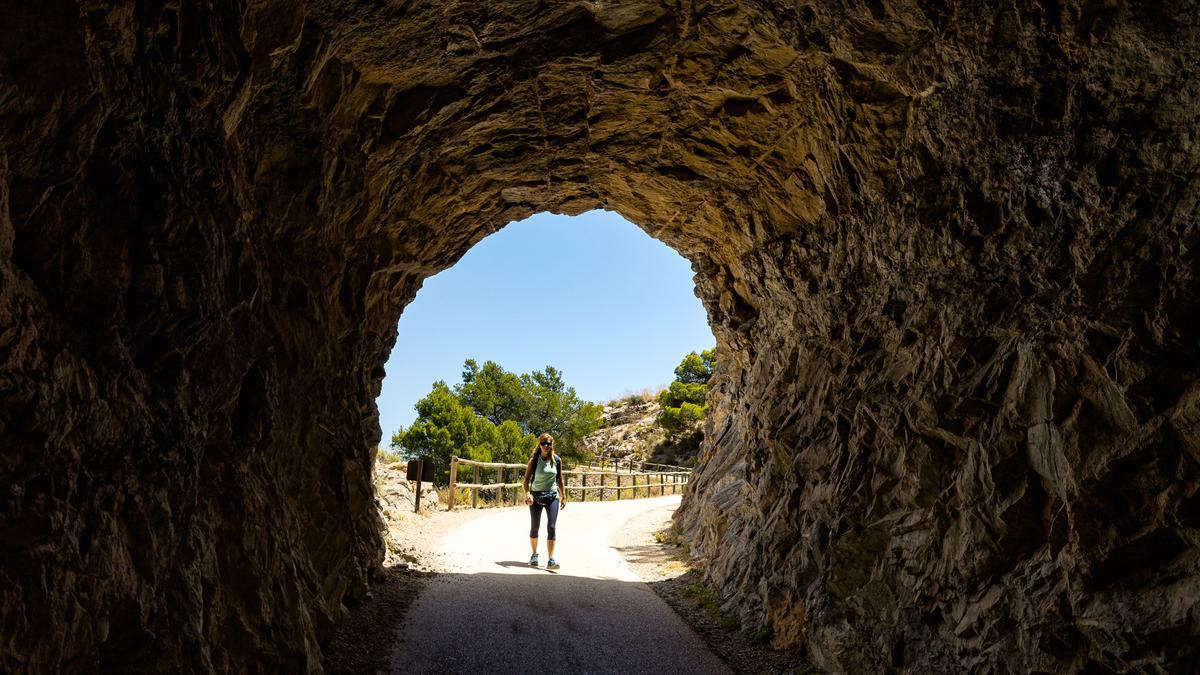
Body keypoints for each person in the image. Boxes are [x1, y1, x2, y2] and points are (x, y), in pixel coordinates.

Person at [523, 432, 567, 569]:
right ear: (539, 444)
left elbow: (559, 479)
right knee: (535, 527)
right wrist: (527, 494)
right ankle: (534, 554)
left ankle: (551, 559)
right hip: (535, 496)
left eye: (549, 443)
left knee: (552, 526)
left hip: (552, 496)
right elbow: (525, 481)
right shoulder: (534, 460)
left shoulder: (557, 460)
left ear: (552, 444)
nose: (546, 446)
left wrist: (564, 496)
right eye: (543, 443)